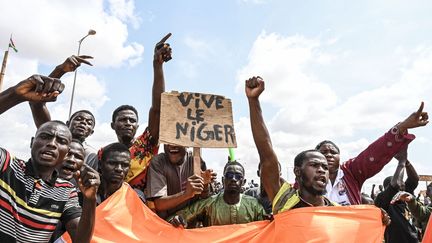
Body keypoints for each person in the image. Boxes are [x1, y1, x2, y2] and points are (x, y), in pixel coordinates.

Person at [0, 75, 100, 242]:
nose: (52, 144)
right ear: (32, 143)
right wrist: (15, 95)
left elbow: (80, 240)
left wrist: (90, 200)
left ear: (67, 152)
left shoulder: (66, 191)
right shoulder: (6, 164)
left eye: (61, 141)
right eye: (45, 136)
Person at [245, 76, 336, 214]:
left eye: (325, 167)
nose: (322, 170)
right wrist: (253, 101)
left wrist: (379, 220)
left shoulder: (338, 211)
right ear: (297, 171)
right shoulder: (284, 200)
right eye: (315, 165)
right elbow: (266, 153)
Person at [315, 102, 428, 205]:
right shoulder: (306, 178)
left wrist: (402, 126)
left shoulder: (350, 172)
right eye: (324, 152)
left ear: (339, 157)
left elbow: (374, 153)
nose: (329, 155)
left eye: (333, 152)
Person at [110, 34, 172, 191]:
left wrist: (157, 66)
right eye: (123, 120)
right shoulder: (104, 153)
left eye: (132, 121)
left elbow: (157, 110)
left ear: (137, 126)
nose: (128, 123)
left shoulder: (145, 145)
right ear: (113, 125)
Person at [29, 55, 99, 170]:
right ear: (67, 123)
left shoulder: (92, 155)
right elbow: (37, 101)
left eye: (88, 122)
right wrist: (60, 70)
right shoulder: (52, 136)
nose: (83, 123)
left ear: (91, 132)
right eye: (79, 119)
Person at [169, 161, 266, 228]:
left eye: (238, 176)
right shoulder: (208, 204)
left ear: (243, 182)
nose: (233, 179)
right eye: (229, 175)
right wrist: (178, 220)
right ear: (223, 180)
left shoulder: (254, 206)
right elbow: (182, 216)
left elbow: (267, 226)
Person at [145, 144, 216, 219]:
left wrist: (204, 184)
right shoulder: (158, 162)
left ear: (187, 143)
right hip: (165, 223)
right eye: (168, 141)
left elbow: (204, 198)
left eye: (176, 141)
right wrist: (186, 194)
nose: (172, 146)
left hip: (190, 221)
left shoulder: (196, 161)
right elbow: (159, 204)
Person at [374, 147, 419, 243]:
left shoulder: (405, 196)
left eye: (403, 187)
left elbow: (414, 179)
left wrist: (407, 162)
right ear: (387, 189)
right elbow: (395, 184)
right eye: (399, 188)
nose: (402, 190)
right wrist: (401, 162)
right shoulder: (383, 201)